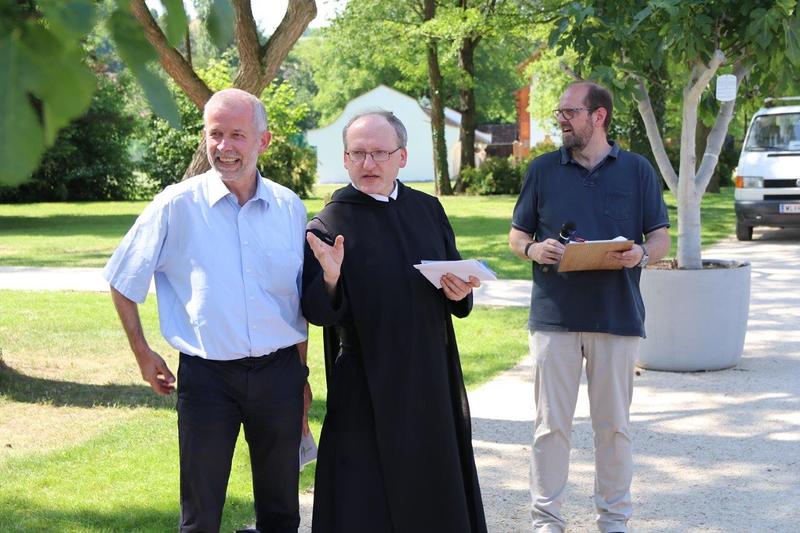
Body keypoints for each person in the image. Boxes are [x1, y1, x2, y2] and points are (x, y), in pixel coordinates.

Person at [104, 88, 311, 533]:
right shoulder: (176, 205)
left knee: (281, 513)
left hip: (280, 376)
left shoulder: (289, 207)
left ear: (263, 141)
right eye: (215, 134)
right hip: (207, 380)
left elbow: (296, 303)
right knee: (200, 516)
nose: (224, 146)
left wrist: (301, 377)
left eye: (237, 134)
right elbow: (123, 279)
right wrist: (142, 353)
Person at [301, 111, 487, 533]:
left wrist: (459, 291)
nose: (369, 164)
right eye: (358, 153)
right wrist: (330, 278)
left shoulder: (428, 209)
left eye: (380, 153)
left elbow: (456, 286)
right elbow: (317, 312)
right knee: (367, 498)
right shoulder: (328, 224)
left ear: (402, 157)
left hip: (429, 376)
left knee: (434, 486)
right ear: (345, 159)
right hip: (366, 381)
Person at [508, 81, 671, 533]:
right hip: (554, 318)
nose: (561, 120)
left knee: (614, 428)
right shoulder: (542, 170)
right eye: (559, 113)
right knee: (550, 428)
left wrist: (641, 254)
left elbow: (660, 238)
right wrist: (533, 250)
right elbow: (517, 236)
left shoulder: (637, 170)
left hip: (617, 316)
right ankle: (547, 521)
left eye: (569, 112)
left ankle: (614, 520)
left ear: (598, 116)